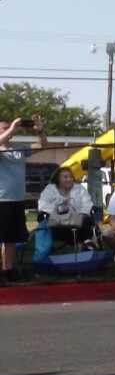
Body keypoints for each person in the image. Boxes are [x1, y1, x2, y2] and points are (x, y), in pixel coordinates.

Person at [0, 115, 42, 282]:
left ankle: (8, 270)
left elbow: (42, 146)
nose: (10, 130)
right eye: (4, 128)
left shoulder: (18, 148)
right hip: (1, 200)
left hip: (17, 200)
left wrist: (40, 131)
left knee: (10, 239)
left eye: (9, 127)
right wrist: (12, 128)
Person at [37, 165, 95, 248]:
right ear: (57, 179)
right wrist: (61, 210)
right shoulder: (50, 189)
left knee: (86, 219)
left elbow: (87, 204)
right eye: (65, 177)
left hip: (77, 219)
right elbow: (43, 205)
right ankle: (85, 243)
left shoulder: (79, 189)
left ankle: (87, 243)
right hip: (57, 221)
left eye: (71, 177)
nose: (69, 179)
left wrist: (79, 214)